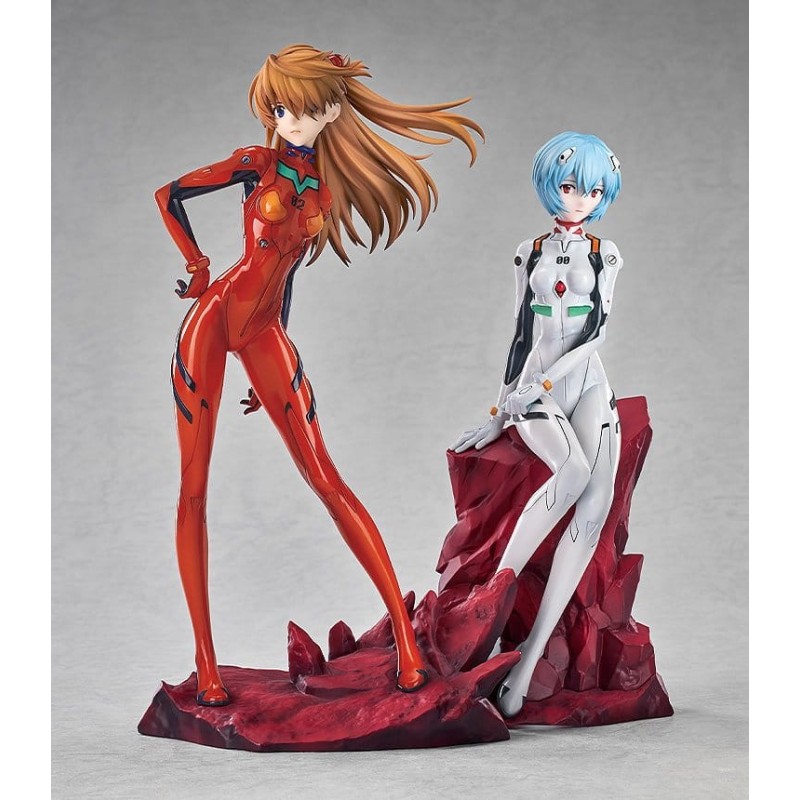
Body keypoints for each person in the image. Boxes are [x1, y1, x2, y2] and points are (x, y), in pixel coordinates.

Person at [156, 44, 483, 706]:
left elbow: (288, 275)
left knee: (327, 478)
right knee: (194, 489)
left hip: (266, 333)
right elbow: (170, 195)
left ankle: (408, 645)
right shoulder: (256, 165)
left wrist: (272, 356)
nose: (292, 120)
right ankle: (207, 665)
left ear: (332, 109)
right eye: (281, 109)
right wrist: (196, 263)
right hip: (212, 323)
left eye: (306, 108)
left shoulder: (323, 189)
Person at [451, 131, 623, 718]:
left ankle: (526, 665)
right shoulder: (528, 252)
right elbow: (520, 332)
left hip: (584, 382)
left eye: (592, 190)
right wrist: (501, 409)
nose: (579, 199)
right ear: (550, 184)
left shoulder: (606, 254)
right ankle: (492, 595)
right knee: (571, 472)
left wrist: (547, 384)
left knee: (596, 501)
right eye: (570, 186)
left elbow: (597, 334)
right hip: (532, 386)